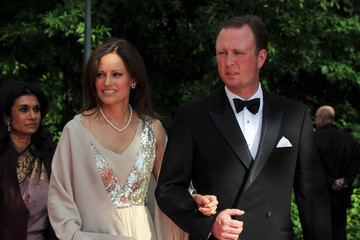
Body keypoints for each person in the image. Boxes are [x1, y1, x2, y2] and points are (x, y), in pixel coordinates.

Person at [155, 15, 333, 240]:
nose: (228, 62)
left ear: (261, 57)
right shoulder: (192, 116)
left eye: (238, 53)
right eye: (222, 53)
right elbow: (168, 190)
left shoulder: (294, 115)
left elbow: (313, 197)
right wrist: (208, 224)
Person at [47, 38, 217, 240]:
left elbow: (170, 187)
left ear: (133, 79)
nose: (107, 82)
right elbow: (59, 197)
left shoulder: (153, 129)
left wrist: (194, 199)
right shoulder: (75, 131)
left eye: (116, 74)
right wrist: (74, 236)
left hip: (144, 234)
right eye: (100, 75)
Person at [0, 81, 57, 239]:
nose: (33, 116)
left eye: (36, 109)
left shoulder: (51, 156)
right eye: (24, 109)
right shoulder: (2, 157)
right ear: (7, 118)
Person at [314, 105, 360, 240]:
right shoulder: (349, 139)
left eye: (316, 118)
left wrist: (330, 182)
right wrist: (345, 180)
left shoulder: (314, 139)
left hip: (320, 197)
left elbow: (313, 167)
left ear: (322, 118)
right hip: (341, 196)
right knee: (339, 233)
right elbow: (355, 165)